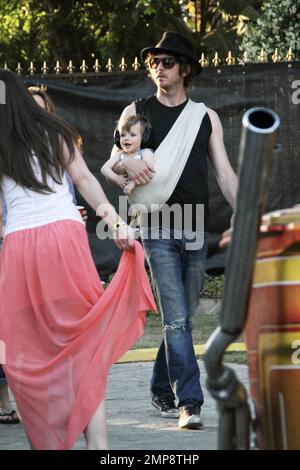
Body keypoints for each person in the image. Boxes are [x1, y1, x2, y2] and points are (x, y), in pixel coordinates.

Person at [0, 69, 156, 450]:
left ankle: (59, 440)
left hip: (19, 247)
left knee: (29, 350)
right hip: (60, 240)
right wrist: (116, 222)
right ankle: (98, 446)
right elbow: (85, 180)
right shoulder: (55, 131)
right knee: (81, 342)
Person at [111, 31, 237, 429]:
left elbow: (224, 174)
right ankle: (190, 404)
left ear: (184, 68)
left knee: (178, 314)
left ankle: (161, 389)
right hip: (157, 227)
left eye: (167, 62)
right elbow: (114, 161)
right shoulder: (137, 109)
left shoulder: (205, 117)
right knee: (178, 319)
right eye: (154, 63)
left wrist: (248, 212)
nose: (158, 68)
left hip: (195, 228)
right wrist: (124, 165)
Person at [101, 114, 154, 196]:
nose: (126, 138)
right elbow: (104, 168)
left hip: (145, 196)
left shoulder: (146, 153)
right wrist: (116, 178)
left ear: (143, 137)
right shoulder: (120, 154)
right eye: (123, 135)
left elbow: (149, 172)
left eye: (132, 135)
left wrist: (132, 183)